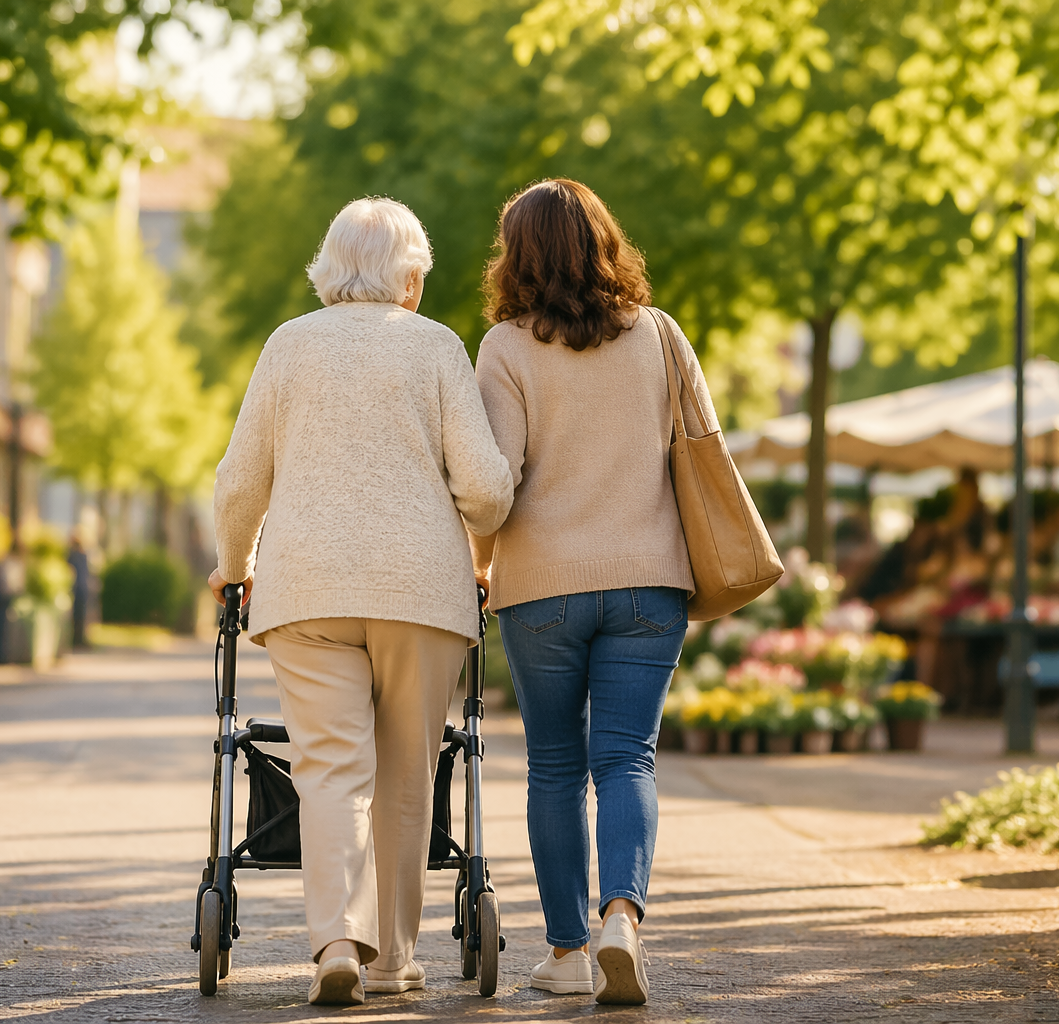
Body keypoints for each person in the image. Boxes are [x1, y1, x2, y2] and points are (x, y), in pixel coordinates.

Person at [209, 197, 513, 1006]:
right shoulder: (437, 346)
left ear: (327, 270)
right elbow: (487, 490)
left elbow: (240, 481)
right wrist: (480, 541)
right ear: (410, 280)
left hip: (306, 589)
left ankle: (338, 941)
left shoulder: (288, 345)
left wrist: (234, 566)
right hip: (420, 590)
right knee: (408, 775)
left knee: (331, 771)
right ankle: (391, 963)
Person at [469, 179, 715, 1005]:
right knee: (627, 758)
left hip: (541, 588)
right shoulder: (661, 334)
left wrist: (477, 559)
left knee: (553, 766)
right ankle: (622, 919)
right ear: (607, 243)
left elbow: (494, 484)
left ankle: (569, 953)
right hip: (650, 581)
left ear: (517, 256)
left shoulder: (505, 349)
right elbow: (702, 446)